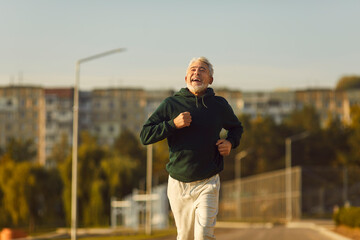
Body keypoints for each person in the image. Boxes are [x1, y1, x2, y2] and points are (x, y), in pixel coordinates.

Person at [140, 57, 243, 240]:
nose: (196, 72)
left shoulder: (219, 105)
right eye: (193, 70)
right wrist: (173, 124)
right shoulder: (171, 104)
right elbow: (145, 135)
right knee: (185, 236)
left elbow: (236, 127)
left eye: (202, 70)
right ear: (186, 77)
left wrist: (230, 142)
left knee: (204, 235)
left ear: (210, 79)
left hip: (208, 181)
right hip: (178, 183)